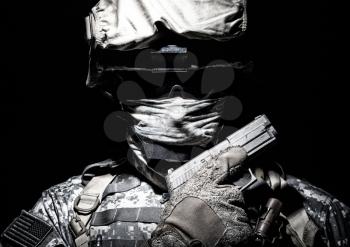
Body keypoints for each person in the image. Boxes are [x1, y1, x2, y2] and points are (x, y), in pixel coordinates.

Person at [1, 1, 349, 247]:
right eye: (153, 79)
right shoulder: (63, 211)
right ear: (114, 89)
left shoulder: (313, 215)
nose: (178, 100)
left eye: (203, 78)